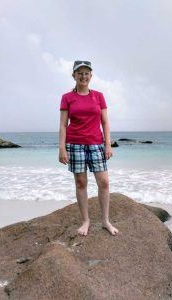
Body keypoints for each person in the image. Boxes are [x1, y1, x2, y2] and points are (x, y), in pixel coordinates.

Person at [58, 60, 119, 236]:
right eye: (80, 73)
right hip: (75, 144)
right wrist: (62, 148)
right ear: (74, 76)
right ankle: (86, 221)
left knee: (104, 182)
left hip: (96, 144)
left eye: (86, 73)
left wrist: (108, 144)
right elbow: (63, 125)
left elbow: (105, 122)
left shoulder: (98, 96)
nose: (83, 76)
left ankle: (105, 221)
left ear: (91, 76)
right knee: (81, 183)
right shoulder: (67, 98)